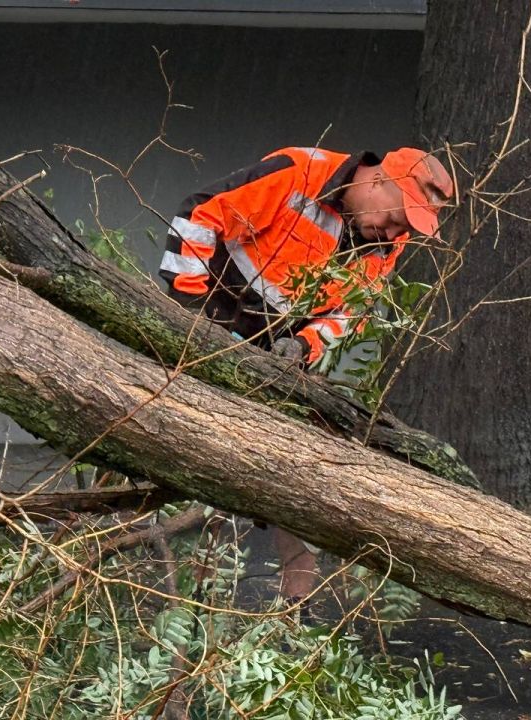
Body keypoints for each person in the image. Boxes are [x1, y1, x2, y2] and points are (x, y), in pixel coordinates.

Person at [161, 145, 453, 610]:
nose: (398, 233)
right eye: (399, 218)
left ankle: (298, 607)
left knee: (296, 463)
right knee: (205, 451)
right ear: (378, 182)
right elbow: (200, 213)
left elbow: (351, 311)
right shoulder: (299, 173)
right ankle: (196, 597)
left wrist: (305, 345)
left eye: (408, 227)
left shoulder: (385, 240)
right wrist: (190, 312)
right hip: (213, 320)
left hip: (282, 352)